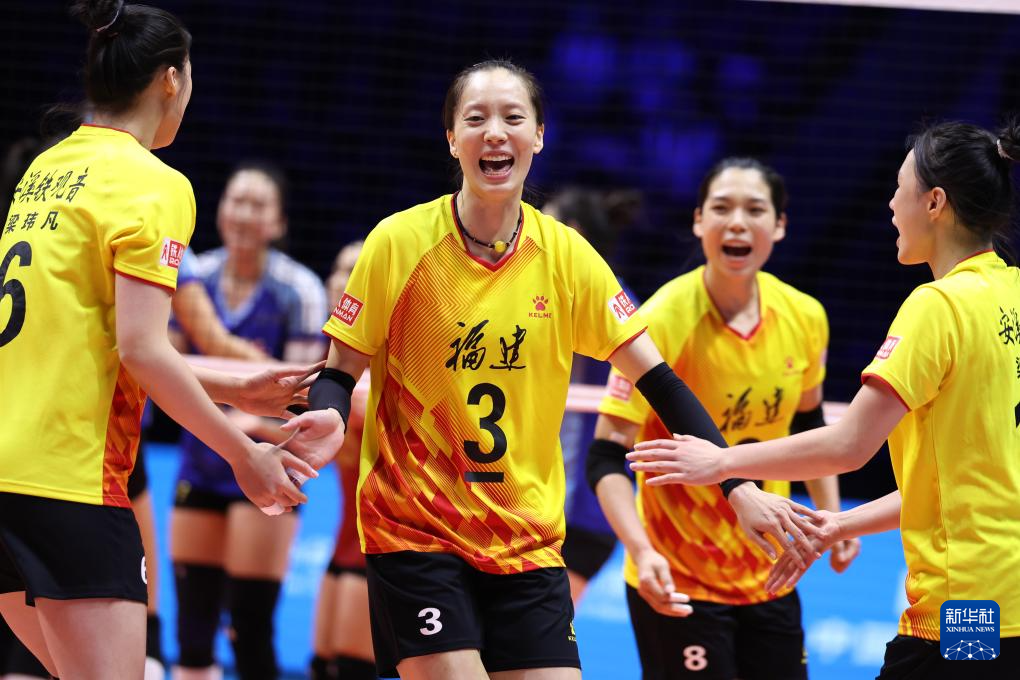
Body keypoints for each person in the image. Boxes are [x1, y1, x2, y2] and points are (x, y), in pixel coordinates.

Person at [284, 58, 818, 680]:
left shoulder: (567, 258)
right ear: (451, 138)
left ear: (538, 136)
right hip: (417, 533)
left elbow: (661, 383)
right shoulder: (398, 243)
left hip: (528, 541)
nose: (495, 132)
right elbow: (340, 372)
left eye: (514, 117)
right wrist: (326, 415)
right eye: (475, 119)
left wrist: (738, 486)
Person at [0, 3, 327, 678]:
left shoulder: (46, 168)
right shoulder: (154, 182)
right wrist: (245, 454)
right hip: (70, 484)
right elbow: (141, 349)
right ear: (170, 79)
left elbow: (91, 339)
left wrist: (235, 387)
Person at [627, 120, 1020, 679]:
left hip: (965, 607)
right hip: (1009, 600)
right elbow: (957, 487)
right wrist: (835, 526)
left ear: (934, 202)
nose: (891, 206)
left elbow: (849, 445)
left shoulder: (939, 306)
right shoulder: (1012, 292)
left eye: (899, 188)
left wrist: (722, 463)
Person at [593, 157, 860, 680]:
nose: (737, 222)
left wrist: (830, 514)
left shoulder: (806, 316)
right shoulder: (661, 319)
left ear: (779, 225)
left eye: (755, 210)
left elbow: (809, 426)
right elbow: (605, 457)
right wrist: (641, 551)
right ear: (698, 221)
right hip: (679, 578)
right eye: (721, 208)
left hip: (773, 572)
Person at [168, 163, 328, 680]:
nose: (242, 213)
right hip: (201, 461)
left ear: (278, 223)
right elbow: (164, 365)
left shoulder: (299, 290)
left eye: (258, 205)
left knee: (249, 627)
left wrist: (242, 419)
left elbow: (301, 402)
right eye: (235, 200)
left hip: (268, 462)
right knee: (192, 633)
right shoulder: (195, 278)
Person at [543, 188, 638, 603]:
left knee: (533, 637)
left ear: (572, 233)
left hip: (575, 509)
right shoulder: (613, 295)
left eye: (544, 221)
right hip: (569, 507)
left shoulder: (595, 300)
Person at [309, 241, 376, 680]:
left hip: (378, 545)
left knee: (352, 670)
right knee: (322, 667)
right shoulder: (333, 362)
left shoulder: (379, 370)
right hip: (345, 542)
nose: (340, 280)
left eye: (354, 271)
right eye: (338, 269)